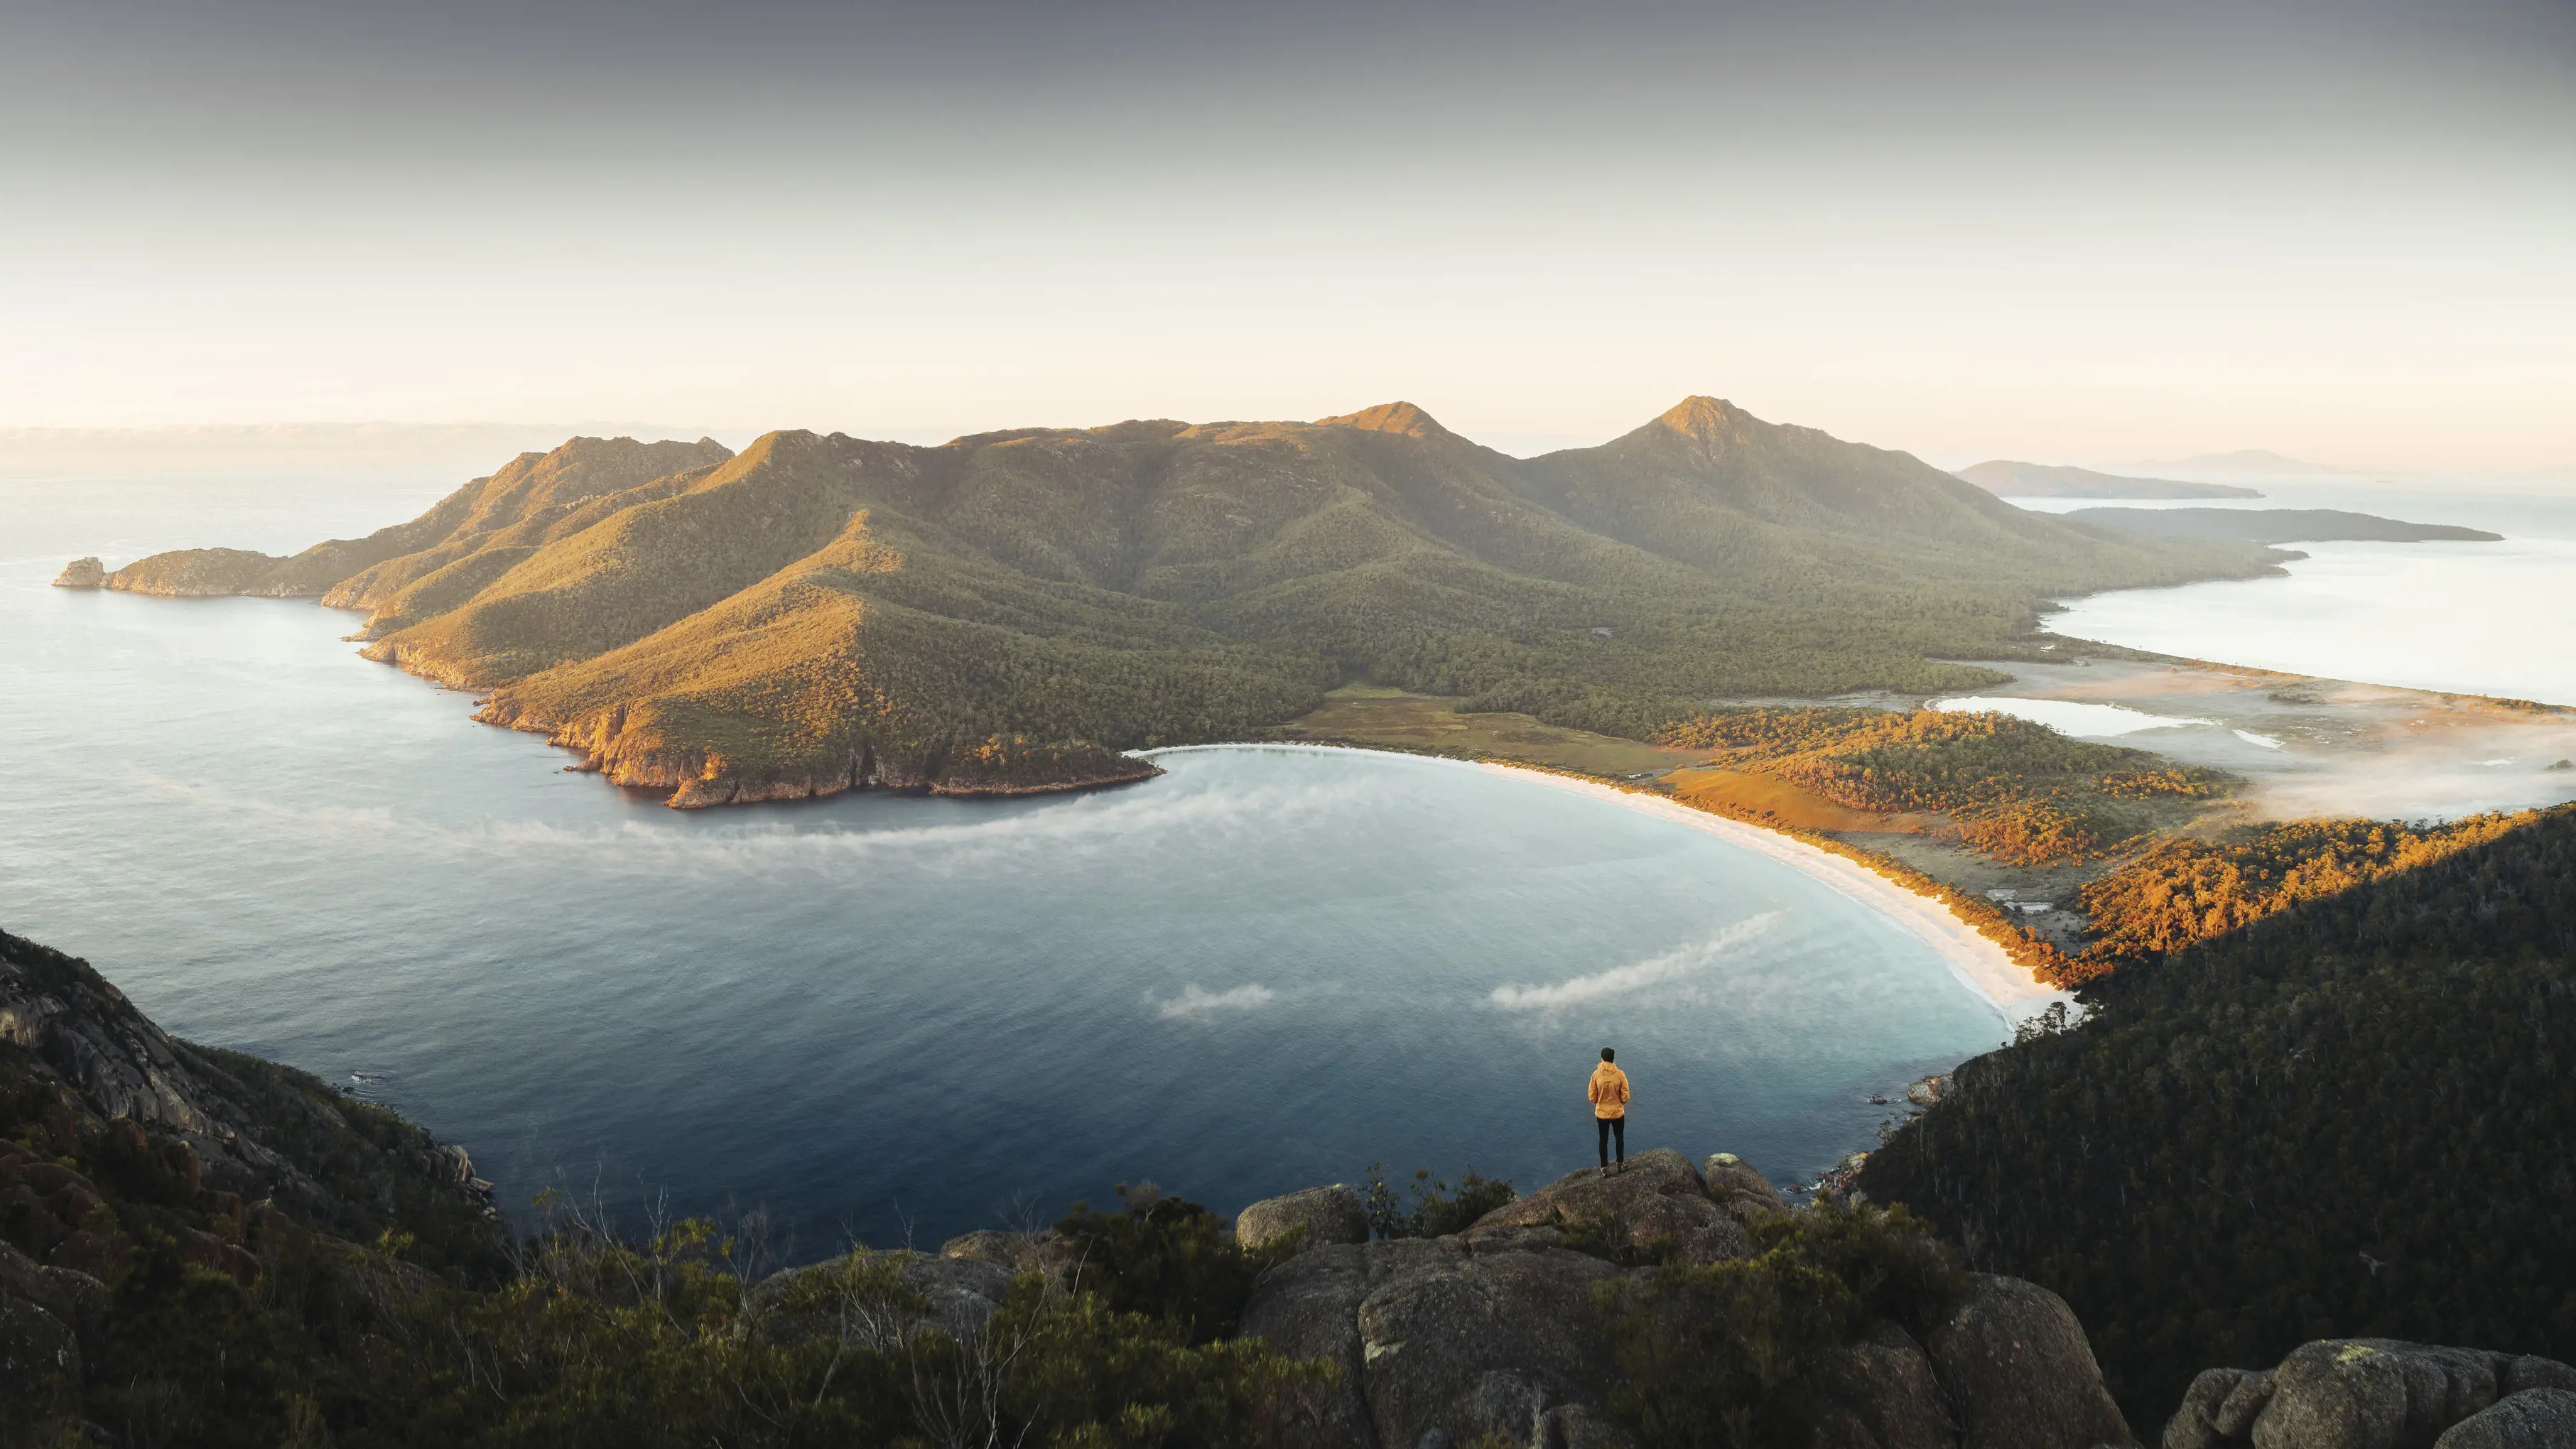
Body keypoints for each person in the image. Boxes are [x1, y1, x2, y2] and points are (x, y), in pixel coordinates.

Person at [1589, 1047, 1629, 1173]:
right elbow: (1626, 1096)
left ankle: (1604, 1168)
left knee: (1603, 1139)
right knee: (1619, 1138)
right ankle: (1620, 1165)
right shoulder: (1620, 1075)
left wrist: (1599, 1102)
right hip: (1617, 1113)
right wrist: (1620, 1103)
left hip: (1601, 1114)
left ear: (1602, 1059)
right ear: (1613, 1059)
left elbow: (1592, 1096)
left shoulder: (1596, 1075)